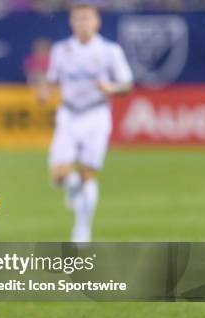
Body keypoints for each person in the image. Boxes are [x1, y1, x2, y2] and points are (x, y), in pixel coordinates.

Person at [38, 4, 133, 242]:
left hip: (96, 115)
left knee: (87, 172)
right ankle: (72, 186)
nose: (82, 23)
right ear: (72, 23)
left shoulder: (109, 50)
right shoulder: (61, 50)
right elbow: (52, 80)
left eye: (86, 18)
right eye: (78, 19)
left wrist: (111, 87)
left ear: (96, 22)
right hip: (69, 115)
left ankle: (82, 230)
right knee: (59, 176)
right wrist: (45, 91)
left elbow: (127, 83)